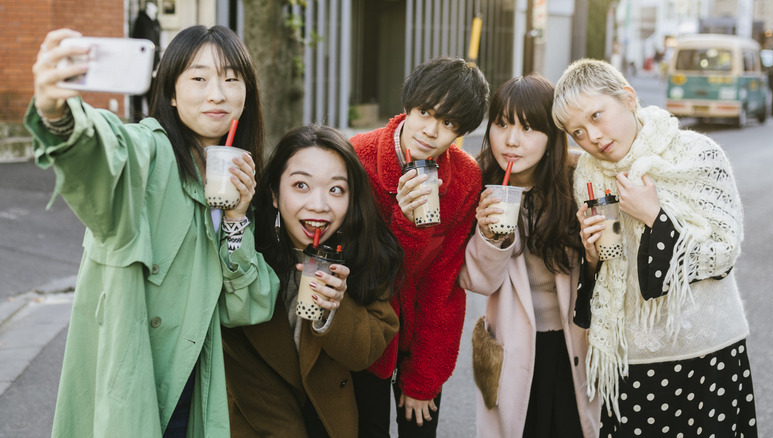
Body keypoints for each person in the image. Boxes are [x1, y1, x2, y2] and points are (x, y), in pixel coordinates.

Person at [26, 26, 279, 437]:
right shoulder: (150, 151)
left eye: (232, 79)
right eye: (199, 78)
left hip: (192, 388)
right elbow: (108, 151)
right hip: (131, 381)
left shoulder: (241, 181)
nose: (217, 94)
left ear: (247, 93)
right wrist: (58, 115)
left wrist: (236, 218)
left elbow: (247, 308)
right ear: (172, 93)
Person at [551, 58, 758, 437]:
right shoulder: (589, 176)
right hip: (630, 359)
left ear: (629, 98)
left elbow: (724, 250)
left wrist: (653, 215)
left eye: (597, 116)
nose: (592, 136)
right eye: (577, 132)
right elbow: (607, 270)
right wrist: (592, 256)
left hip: (707, 353)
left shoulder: (697, 153)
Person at [221, 125, 403, 437]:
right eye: (301, 185)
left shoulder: (365, 255)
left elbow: (367, 351)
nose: (319, 205)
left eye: (336, 190)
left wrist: (336, 309)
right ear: (275, 194)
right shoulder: (247, 254)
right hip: (259, 422)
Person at [349, 56, 489, 437]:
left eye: (449, 123)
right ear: (409, 105)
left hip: (422, 335)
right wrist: (407, 222)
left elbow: (443, 284)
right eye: (425, 112)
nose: (431, 130)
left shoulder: (464, 178)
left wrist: (425, 378)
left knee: (420, 425)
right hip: (363, 332)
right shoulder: (357, 157)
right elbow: (355, 264)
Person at [458, 75, 601, 438]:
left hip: (573, 344)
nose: (511, 140)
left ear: (551, 135)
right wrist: (490, 236)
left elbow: (604, 275)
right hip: (512, 346)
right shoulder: (477, 184)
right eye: (502, 124)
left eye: (528, 127)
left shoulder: (577, 182)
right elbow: (477, 282)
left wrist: (592, 255)